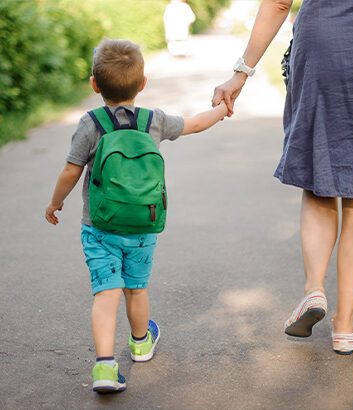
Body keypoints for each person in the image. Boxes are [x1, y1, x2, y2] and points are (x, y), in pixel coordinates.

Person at [212, 0, 353, 354]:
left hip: (323, 45)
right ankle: (343, 325)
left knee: (320, 179)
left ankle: (314, 290)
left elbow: (278, 2)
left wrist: (241, 72)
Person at [45, 38, 228, 392]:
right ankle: (141, 343)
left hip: (99, 226)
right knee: (136, 289)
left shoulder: (91, 123)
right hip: (144, 225)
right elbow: (195, 124)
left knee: (106, 294)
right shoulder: (153, 121)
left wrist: (55, 203)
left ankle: (104, 368)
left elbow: (70, 171)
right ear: (142, 84)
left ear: (94, 85)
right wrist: (222, 109)